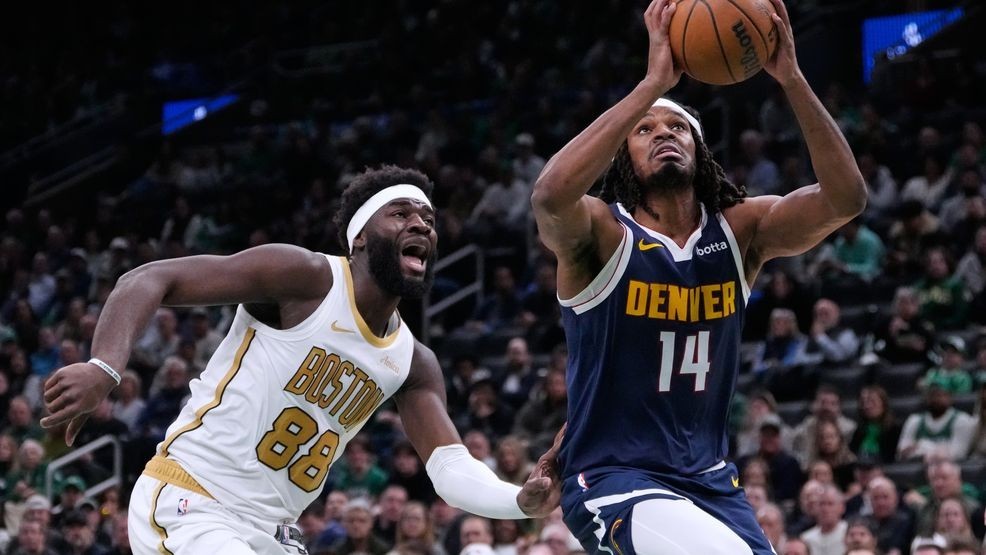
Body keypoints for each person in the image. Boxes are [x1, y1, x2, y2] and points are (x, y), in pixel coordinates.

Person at [41, 166, 563, 554]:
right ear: (359, 236)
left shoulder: (413, 362)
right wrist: (104, 368)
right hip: (193, 500)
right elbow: (148, 279)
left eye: (428, 218)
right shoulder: (307, 279)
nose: (423, 225)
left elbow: (449, 469)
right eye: (401, 214)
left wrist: (516, 501)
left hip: (274, 535)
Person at [530, 0, 866, 551]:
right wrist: (651, 84)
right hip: (615, 479)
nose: (663, 133)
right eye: (644, 129)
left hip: (710, 482)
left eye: (678, 126)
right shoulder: (601, 236)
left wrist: (793, 78)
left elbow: (846, 198)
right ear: (623, 156)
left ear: (700, 150)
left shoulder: (741, 232)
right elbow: (548, 195)